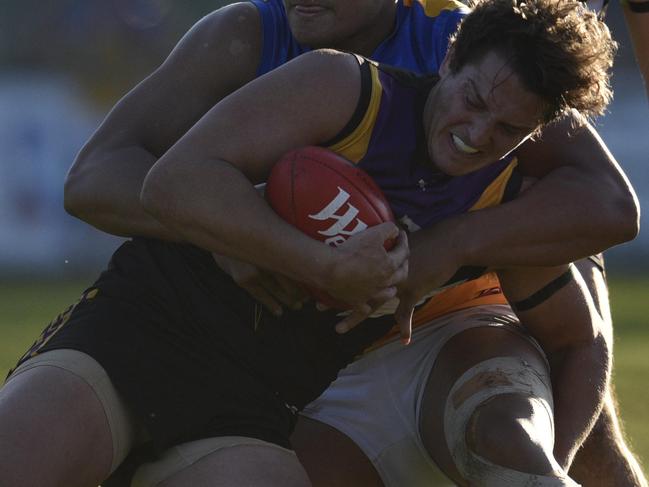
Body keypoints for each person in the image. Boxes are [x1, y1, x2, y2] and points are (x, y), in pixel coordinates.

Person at [0, 2, 619, 486]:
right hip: (135, 335)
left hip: (250, 408)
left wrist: (560, 460)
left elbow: (580, 335)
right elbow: (173, 181)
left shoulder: (504, 204)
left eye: (509, 128)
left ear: (541, 132)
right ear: (449, 60)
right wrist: (310, 260)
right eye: (473, 101)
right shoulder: (343, 86)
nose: (478, 134)